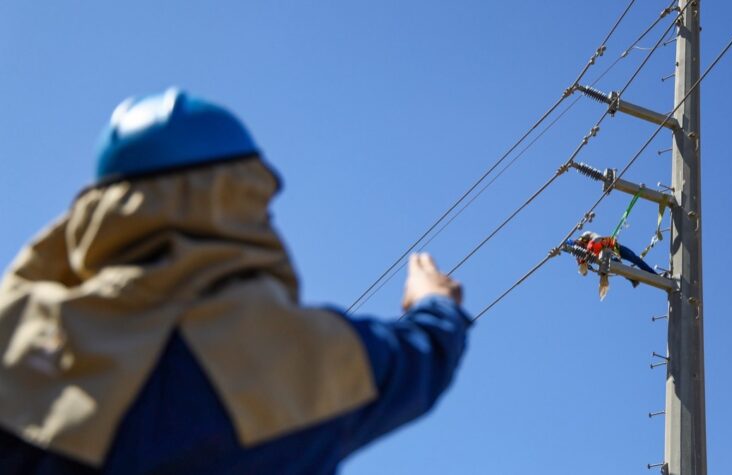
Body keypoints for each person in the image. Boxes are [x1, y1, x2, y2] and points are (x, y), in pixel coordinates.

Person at [0, 89, 471, 474]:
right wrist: (436, 303)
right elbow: (422, 358)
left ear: (98, 212)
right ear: (246, 202)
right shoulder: (311, 358)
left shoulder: (18, 337)